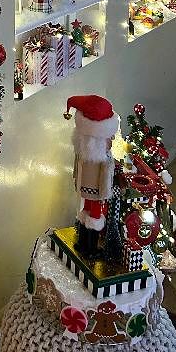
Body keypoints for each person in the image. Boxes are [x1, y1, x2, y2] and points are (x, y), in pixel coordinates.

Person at [64, 94, 120, 259]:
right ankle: (91, 249)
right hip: (97, 190)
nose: (111, 139)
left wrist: (77, 182)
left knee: (85, 211)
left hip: (84, 187)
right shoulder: (102, 155)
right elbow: (106, 174)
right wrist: (106, 191)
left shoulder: (82, 146)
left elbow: (77, 167)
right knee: (95, 215)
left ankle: (82, 243)